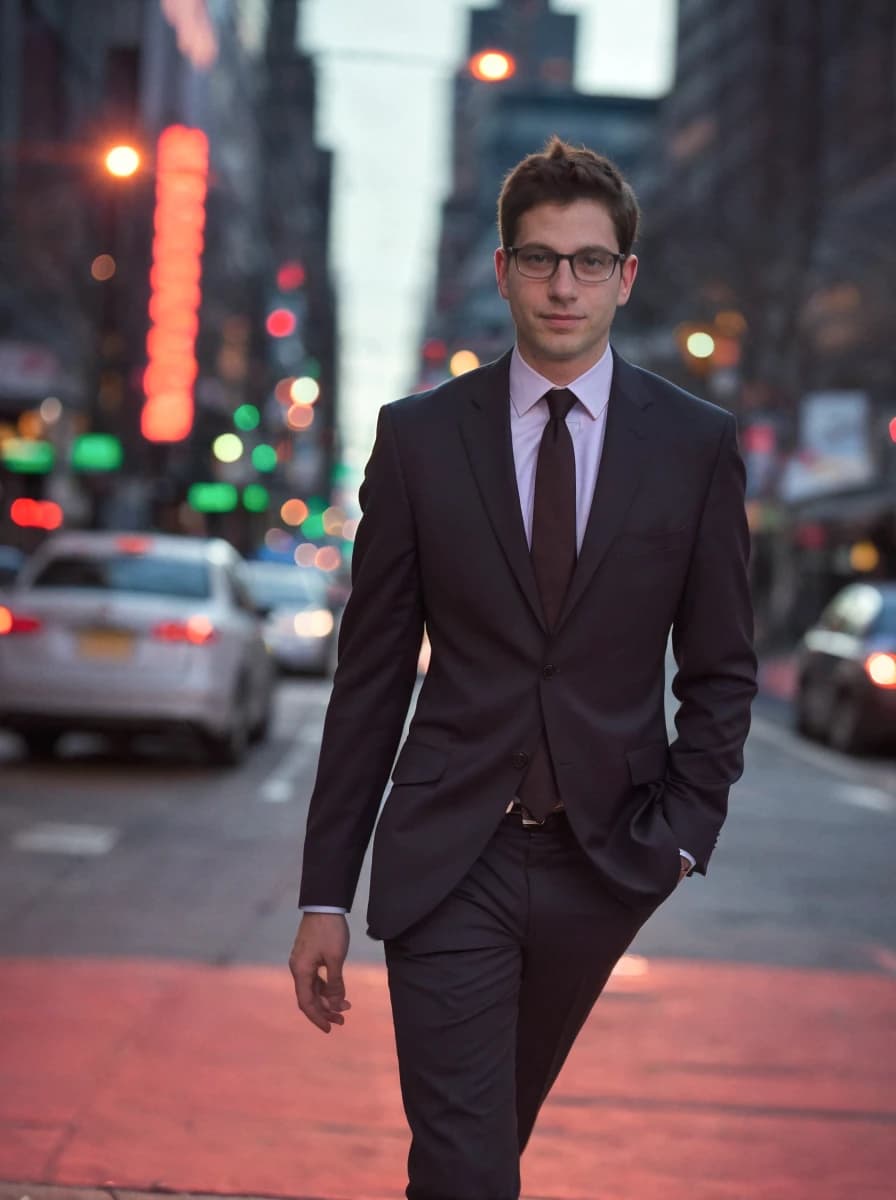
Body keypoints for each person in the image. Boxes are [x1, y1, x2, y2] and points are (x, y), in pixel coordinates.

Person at [289, 136, 757, 1200]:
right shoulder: (416, 440)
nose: (561, 284)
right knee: (468, 1170)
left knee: (480, 1142)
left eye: (587, 261)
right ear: (501, 270)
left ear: (624, 277)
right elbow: (367, 678)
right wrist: (324, 892)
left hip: (607, 857)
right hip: (451, 853)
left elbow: (722, 667)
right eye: (538, 258)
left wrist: (682, 835)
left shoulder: (692, 444)